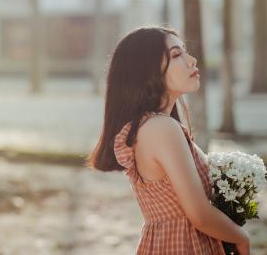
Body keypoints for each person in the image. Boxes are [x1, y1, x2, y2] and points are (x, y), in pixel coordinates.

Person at [86, 26, 250, 255]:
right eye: (176, 55)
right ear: (147, 71)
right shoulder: (161, 128)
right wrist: (241, 238)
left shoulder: (151, 126)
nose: (192, 60)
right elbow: (199, 215)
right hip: (184, 246)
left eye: (185, 51)